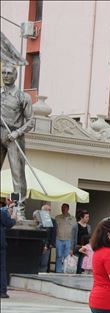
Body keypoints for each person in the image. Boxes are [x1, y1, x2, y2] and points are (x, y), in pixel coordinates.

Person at [1, 64, 35, 221]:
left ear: (15, 76)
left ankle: (19, 208)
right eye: (3, 72)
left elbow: (31, 121)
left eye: (9, 73)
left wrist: (17, 133)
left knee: (17, 174)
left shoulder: (23, 97)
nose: (6, 75)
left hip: (14, 136)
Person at [1, 198, 17, 298]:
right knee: (2, 268)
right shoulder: (2, 212)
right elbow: (9, 223)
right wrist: (14, 218)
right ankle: (2, 291)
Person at [54, 203, 76, 273]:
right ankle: (58, 271)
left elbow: (74, 230)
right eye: (62, 208)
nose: (63, 209)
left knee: (67, 257)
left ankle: (65, 271)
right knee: (59, 256)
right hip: (59, 239)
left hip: (69, 239)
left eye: (64, 208)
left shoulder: (73, 218)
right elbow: (55, 228)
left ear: (68, 209)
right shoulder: (57, 217)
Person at [35, 203, 56, 273]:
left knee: (44, 262)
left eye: (49, 210)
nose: (49, 212)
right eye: (47, 210)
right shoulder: (37, 219)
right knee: (37, 261)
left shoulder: (52, 221)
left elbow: (52, 233)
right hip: (37, 243)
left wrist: (50, 244)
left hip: (46, 244)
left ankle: (42, 275)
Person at [71, 210, 92, 275]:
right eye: (86, 217)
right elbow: (72, 238)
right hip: (77, 247)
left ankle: (79, 276)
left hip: (85, 248)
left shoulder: (88, 227)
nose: (88, 218)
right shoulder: (75, 226)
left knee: (82, 264)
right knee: (76, 263)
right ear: (81, 217)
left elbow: (89, 237)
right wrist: (71, 249)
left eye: (88, 217)